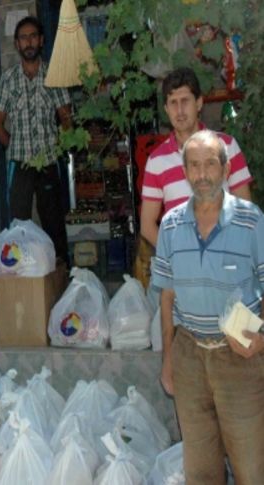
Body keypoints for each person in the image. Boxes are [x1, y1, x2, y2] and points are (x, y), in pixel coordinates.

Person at [153, 130, 264, 484]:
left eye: (210, 165)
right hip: (189, 357)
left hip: (239, 360)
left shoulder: (252, 222)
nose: (202, 175)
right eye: (194, 166)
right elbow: (166, 295)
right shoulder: (170, 226)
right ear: (185, 172)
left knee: (250, 467)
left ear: (226, 169)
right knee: (200, 470)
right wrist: (169, 356)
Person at [140, 66, 252, 247]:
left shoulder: (227, 146)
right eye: (173, 103)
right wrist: (175, 256)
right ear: (166, 109)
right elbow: (147, 225)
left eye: (185, 101)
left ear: (199, 103)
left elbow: (246, 211)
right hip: (182, 268)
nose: (180, 110)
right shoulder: (156, 161)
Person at [0, 16, 72, 262]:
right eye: (23, 38)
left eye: (33, 36)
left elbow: (67, 121)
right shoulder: (9, 78)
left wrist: (56, 147)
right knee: (18, 225)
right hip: (19, 165)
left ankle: (60, 275)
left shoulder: (53, 75)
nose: (29, 42)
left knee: (54, 223)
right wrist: (14, 147)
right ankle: (20, 276)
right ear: (16, 44)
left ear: (41, 40)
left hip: (48, 162)